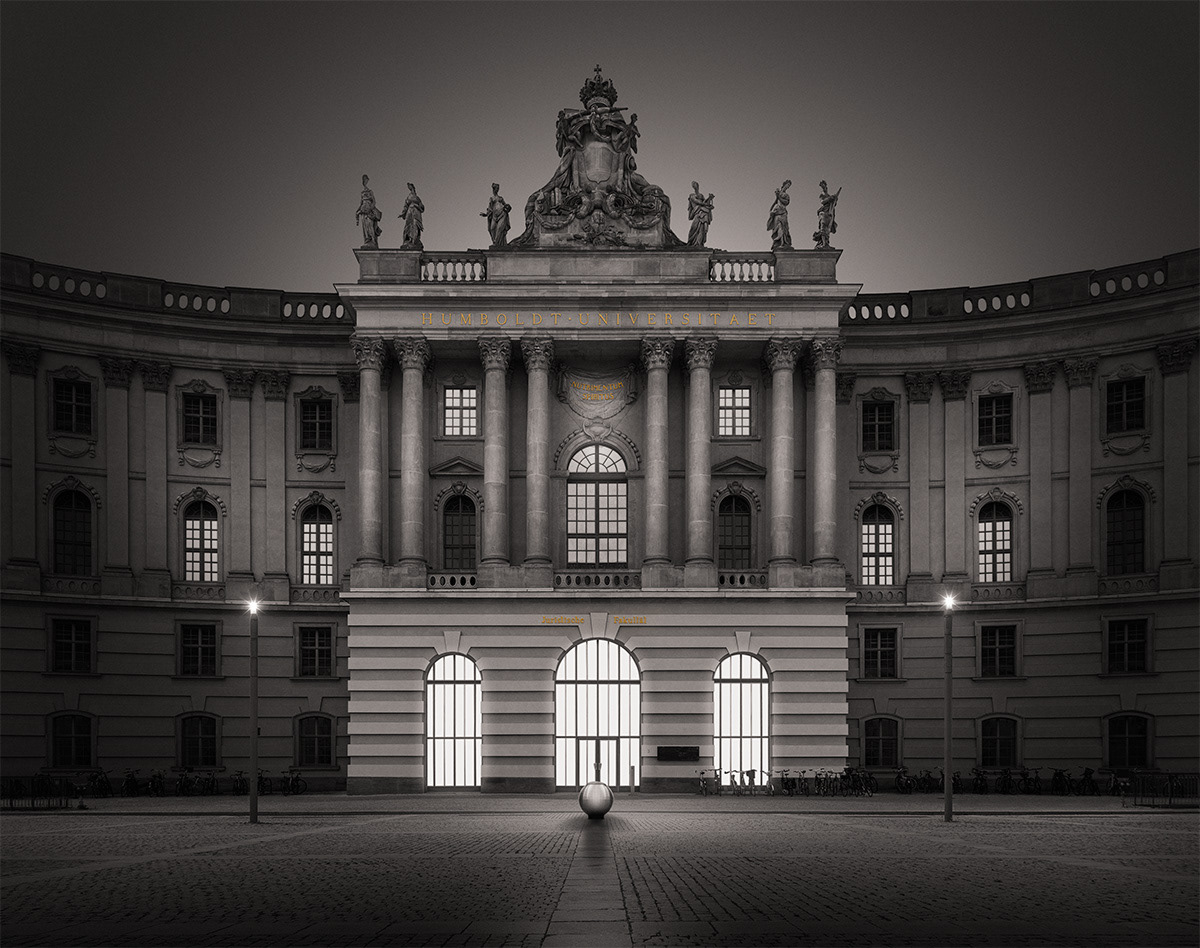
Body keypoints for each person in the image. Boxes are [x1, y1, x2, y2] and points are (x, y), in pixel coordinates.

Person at [480, 183, 512, 248]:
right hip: (494, 215)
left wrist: (507, 208)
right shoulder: (491, 198)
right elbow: (490, 208)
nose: (497, 190)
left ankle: (496, 244)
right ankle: (495, 242)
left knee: (500, 229)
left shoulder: (501, 198)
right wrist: (486, 214)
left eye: (498, 188)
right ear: (493, 189)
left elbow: (506, 205)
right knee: (492, 228)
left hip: (502, 214)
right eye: (496, 188)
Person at [813, 179, 841, 249]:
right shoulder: (822, 195)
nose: (824, 188)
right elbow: (822, 201)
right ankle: (823, 244)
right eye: (823, 186)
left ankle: (826, 243)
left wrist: (835, 200)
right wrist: (830, 198)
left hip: (830, 213)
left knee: (827, 230)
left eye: (825, 186)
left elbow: (834, 204)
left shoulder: (828, 195)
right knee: (823, 227)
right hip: (824, 212)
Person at [355, 175, 381, 248]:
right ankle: (367, 240)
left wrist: (370, 208)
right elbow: (361, 203)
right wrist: (357, 211)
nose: (364, 182)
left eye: (365, 180)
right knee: (365, 227)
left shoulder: (370, 191)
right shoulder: (362, 193)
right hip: (363, 210)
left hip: (369, 210)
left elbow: (374, 201)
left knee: (370, 225)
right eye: (363, 180)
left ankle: (372, 241)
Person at [687, 181, 714, 248]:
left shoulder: (701, 195)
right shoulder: (692, 195)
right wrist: (706, 203)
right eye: (694, 185)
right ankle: (692, 242)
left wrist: (709, 198)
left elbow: (705, 203)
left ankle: (699, 243)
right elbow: (698, 202)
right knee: (694, 228)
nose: (695, 186)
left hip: (704, 213)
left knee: (702, 229)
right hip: (697, 213)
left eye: (696, 185)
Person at [767, 179, 792, 250]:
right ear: (784, 184)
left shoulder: (786, 195)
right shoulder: (779, 192)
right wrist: (771, 211)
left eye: (789, 186)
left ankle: (783, 243)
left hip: (783, 212)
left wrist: (779, 196)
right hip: (776, 212)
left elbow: (786, 202)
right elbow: (775, 202)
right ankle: (778, 243)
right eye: (787, 185)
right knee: (777, 227)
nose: (788, 187)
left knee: (783, 227)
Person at [399, 182, 424, 250]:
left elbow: (422, 207)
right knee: (408, 225)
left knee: (415, 224)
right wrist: (402, 213)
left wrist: (417, 206)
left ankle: (414, 240)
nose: (410, 188)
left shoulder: (417, 198)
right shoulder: (408, 198)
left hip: (416, 212)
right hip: (409, 212)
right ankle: (408, 240)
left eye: (410, 187)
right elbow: (405, 206)